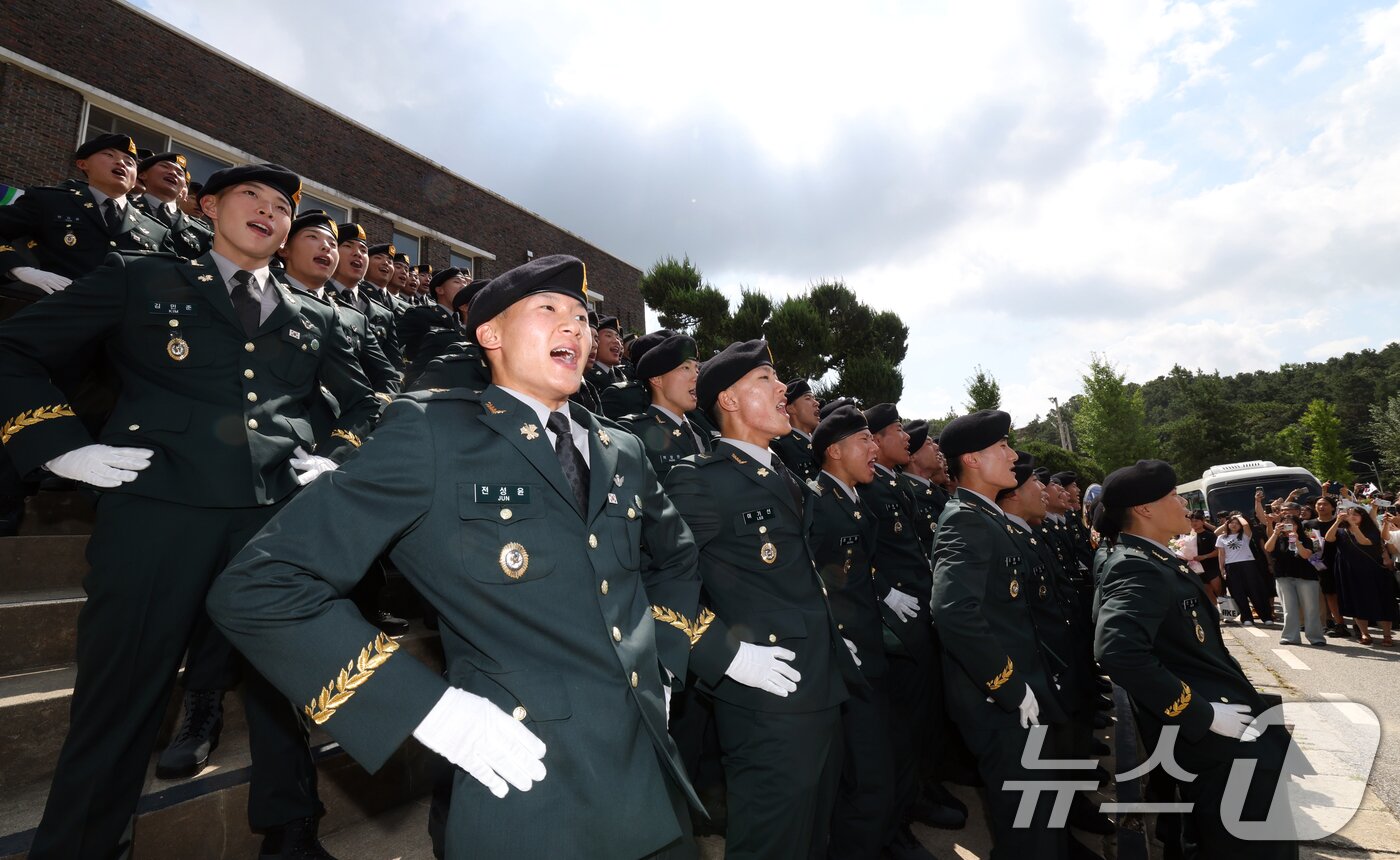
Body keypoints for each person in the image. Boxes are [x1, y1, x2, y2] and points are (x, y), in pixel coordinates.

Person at [208, 254, 706, 858]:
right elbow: (261, 586)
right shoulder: (433, 434)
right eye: (548, 310)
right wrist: (427, 709)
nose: (573, 326)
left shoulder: (620, 447)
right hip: (532, 785)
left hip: (654, 769)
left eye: (580, 316)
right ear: (489, 334)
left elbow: (676, 558)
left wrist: (667, 662)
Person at [1, 163, 380, 859]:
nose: (268, 211)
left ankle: (290, 831)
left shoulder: (317, 317)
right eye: (251, 197)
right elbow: (13, 348)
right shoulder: (138, 275)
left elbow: (365, 403)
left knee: (278, 686)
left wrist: (336, 454)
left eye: (281, 207)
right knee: (120, 697)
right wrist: (56, 447)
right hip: (157, 512)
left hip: (269, 521)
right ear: (207, 206)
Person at [663, 339, 862, 860]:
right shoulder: (699, 481)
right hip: (764, 701)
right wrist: (724, 655)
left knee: (814, 836)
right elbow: (653, 578)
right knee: (770, 844)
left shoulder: (787, 476)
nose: (783, 390)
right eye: (765, 380)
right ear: (727, 401)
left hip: (821, 684)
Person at [1093, 460, 1298, 859]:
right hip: (1215, 738)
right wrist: (1199, 714)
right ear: (1145, 510)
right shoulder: (1137, 567)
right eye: (1172, 495)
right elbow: (1117, 650)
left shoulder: (1151, 559)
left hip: (1223, 727)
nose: (1183, 502)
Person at [932, 409, 1067, 858]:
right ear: (971, 459)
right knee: (1028, 832)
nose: (1013, 454)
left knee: (1040, 820)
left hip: (1024, 692)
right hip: (1001, 701)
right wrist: (1007, 684)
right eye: (1003, 446)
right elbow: (952, 611)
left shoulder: (990, 518)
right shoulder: (965, 519)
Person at [807, 405, 930, 860]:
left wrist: (882, 593)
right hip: (848, 656)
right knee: (867, 777)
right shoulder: (817, 500)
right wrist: (838, 641)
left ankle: (886, 838)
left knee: (886, 758)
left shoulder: (852, 498)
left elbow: (856, 567)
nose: (874, 448)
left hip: (872, 647)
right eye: (864, 441)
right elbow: (813, 578)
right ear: (836, 451)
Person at [618, 333, 709, 477]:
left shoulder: (700, 432)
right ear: (657, 379)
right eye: (685, 368)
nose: (696, 376)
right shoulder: (632, 432)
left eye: (697, 369)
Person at [1327, 503, 1399, 646]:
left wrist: (1353, 527)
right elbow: (1329, 538)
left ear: (1363, 517)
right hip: (1350, 571)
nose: (1351, 516)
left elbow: (1364, 542)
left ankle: (1387, 635)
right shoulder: (1342, 530)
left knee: (1382, 602)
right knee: (1357, 602)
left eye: (1355, 514)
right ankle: (1365, 634)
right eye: (1349, 514)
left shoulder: (1371, 530)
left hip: (1373, 571)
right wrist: (1337, 522)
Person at [330, 231, 402, 370]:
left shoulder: (384, 314)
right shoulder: (314, 293)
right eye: (348, 246)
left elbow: (393, 367)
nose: (358, 253)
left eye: (363, 250)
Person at [131, 151, 213, 258]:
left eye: (180, 173)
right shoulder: (123, 209)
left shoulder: (202, 234)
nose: (173, 173)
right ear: (142, 174)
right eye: (165, 166)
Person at [1263, 508, 1325, 647]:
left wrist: (1296, 540)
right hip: (1283, 576)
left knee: (1311, 608)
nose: (1288, 526)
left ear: (1298, 526)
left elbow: (1306, 555)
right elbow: (1268, 548)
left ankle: (1316, 637)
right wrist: (1275, 533)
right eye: (1285, 523)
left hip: (1306, 577)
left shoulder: (1307, 539)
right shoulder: (1278, 538)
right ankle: (1290, 637)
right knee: (1289, 608)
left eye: (1291, 524)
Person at [1215, 511, 1273, 626]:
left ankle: (1266, 616)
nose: (1234, 525)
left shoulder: (1246, 535)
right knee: (1238, 593)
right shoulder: (1222, 537)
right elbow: (1221, 554)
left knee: (1255, 591)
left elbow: (1246, 525)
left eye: (1237, 523)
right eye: (1232, 523)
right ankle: (1246, 617)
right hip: (1231, 566)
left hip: (1248, 565)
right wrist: (1222, 569)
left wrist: (1238, 517)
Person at [1304, 496, 1346, 635]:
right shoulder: (1309, 524)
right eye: (1319, 504)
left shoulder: (1341, 522)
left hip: (1342, 559)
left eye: (1325, 504)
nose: (1321, 507)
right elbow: (1312, 543)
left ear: (1333, 507)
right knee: (1329, 593)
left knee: (1345, 592)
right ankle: (1339, 623)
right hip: (1321, 562)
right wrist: (1315, 559)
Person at [771, 378, 819, 481]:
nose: (816, 403)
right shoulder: (782, 446)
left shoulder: (820, 443)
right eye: (808, 398)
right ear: (791, 408)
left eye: (814, 398)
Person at [1188, 511, 1224, 599]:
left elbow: (1218, 551)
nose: (1194, 523)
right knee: (1207, 592)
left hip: (1212, 567)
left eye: (1196, 521)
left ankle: (1227, 609)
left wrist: (1204, 556)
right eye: (1192, 521)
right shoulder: (1188, 537)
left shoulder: (1210, 535)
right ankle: (1216, 611)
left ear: (1203, 521)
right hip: (1197, 569)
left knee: (1218, 590)